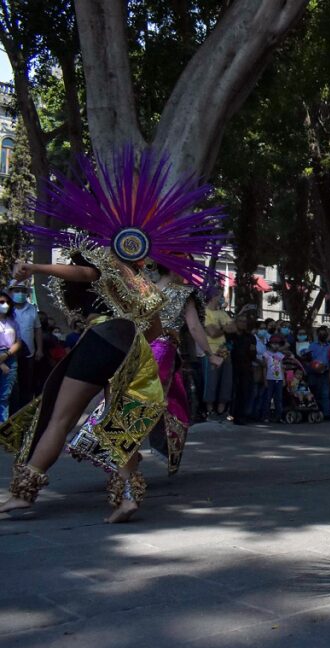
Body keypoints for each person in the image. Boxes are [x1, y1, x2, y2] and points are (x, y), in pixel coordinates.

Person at [0, 148, 225, 521]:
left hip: (103, 339)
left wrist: (37, 266)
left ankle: (24, 493)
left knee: (59, 416)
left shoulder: (108, 261)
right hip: (134, 352)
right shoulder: (148, 290)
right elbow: (154, 333)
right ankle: (126, 496)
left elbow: (83, 275)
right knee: (114, 424)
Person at [148, 268, 222, 473]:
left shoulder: (145, 288)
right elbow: (195, 327)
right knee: (164, 403)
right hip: (163, 351)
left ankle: (105, 443)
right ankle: (158, 447)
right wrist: (210, 354)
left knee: (141, 399)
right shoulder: (182, 292)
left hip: (141, 349)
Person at [5, 281, 41, 414]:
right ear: (10, 292)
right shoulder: (5, 308)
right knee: (11, 385)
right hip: (9, 353)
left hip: (28, 353)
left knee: (27, 382)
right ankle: (10, 413)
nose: (20, 293)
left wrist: (39, 349)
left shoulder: (32, 309)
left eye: (22, 290)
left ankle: (24, 412)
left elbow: (38, 330)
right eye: (16, 290)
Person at [203, 293, 234, 419]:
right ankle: (210, 410)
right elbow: (212, 333)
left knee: (226, 380)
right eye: (218, 295)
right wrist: (224, 327)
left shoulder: (222, 313)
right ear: (212, 296)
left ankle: (221, 410)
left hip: (225, 351)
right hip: (211, 351)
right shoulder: (205, 312)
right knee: (211, 381)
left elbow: (233, 328)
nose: (221, 297)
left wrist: (221, 328)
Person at [229, 305, 259, 425]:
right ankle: (230, 413)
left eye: (244, 322)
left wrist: (253, 351)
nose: (243, 324)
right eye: (240, 321)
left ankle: (242, 415)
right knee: (232, 391)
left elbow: (253, 353)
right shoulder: (231, 335)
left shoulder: (250, 337)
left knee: (245, 392)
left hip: (246, 367)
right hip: (233, 365)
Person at [0, 289, 22, 423]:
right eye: (2, 302)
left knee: (4, 397)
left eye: (7, 302)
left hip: (10, 358)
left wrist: (7, 355)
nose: (5, 305)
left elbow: (18, 342)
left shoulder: (13, 321)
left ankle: (2, 428)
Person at [261, 335, 287, 421]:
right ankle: (265, 416)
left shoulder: (280, 355)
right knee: (267, 398)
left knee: (278, 398)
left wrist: (283, 379)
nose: (276, 345)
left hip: (278, 379)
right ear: (270, 344)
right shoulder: (266, 354)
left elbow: (282, 367)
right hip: (269, 379)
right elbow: (264, 367)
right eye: (274, 344)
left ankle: (278, 417)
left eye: (278, 344)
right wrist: (265, 380)